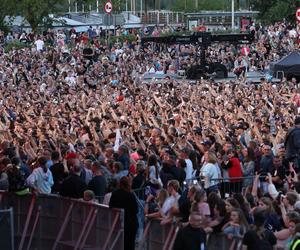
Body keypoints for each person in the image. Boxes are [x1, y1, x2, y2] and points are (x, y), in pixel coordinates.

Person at [109, 176, 138, 250]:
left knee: (119, 243)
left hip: (118, 221)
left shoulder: (115, 193)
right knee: (130, 244)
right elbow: (136, 210)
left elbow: (111, 206)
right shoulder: (130, 195)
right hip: (130, 223)